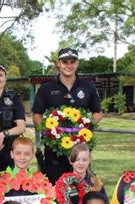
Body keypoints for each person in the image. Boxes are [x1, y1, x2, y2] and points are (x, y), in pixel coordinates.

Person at [32, 48, 102, 184]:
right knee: (54, 188)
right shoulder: (46, 88)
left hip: (80, 151)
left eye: (72, 62)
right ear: (58, 63)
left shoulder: (88, 87)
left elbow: (98, 113)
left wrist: (86, 128)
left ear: (77, 64)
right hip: (54, 151)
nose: (68, 65)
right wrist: (49, 133)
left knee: (81, 188)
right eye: (65, 62)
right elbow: (37, 115)